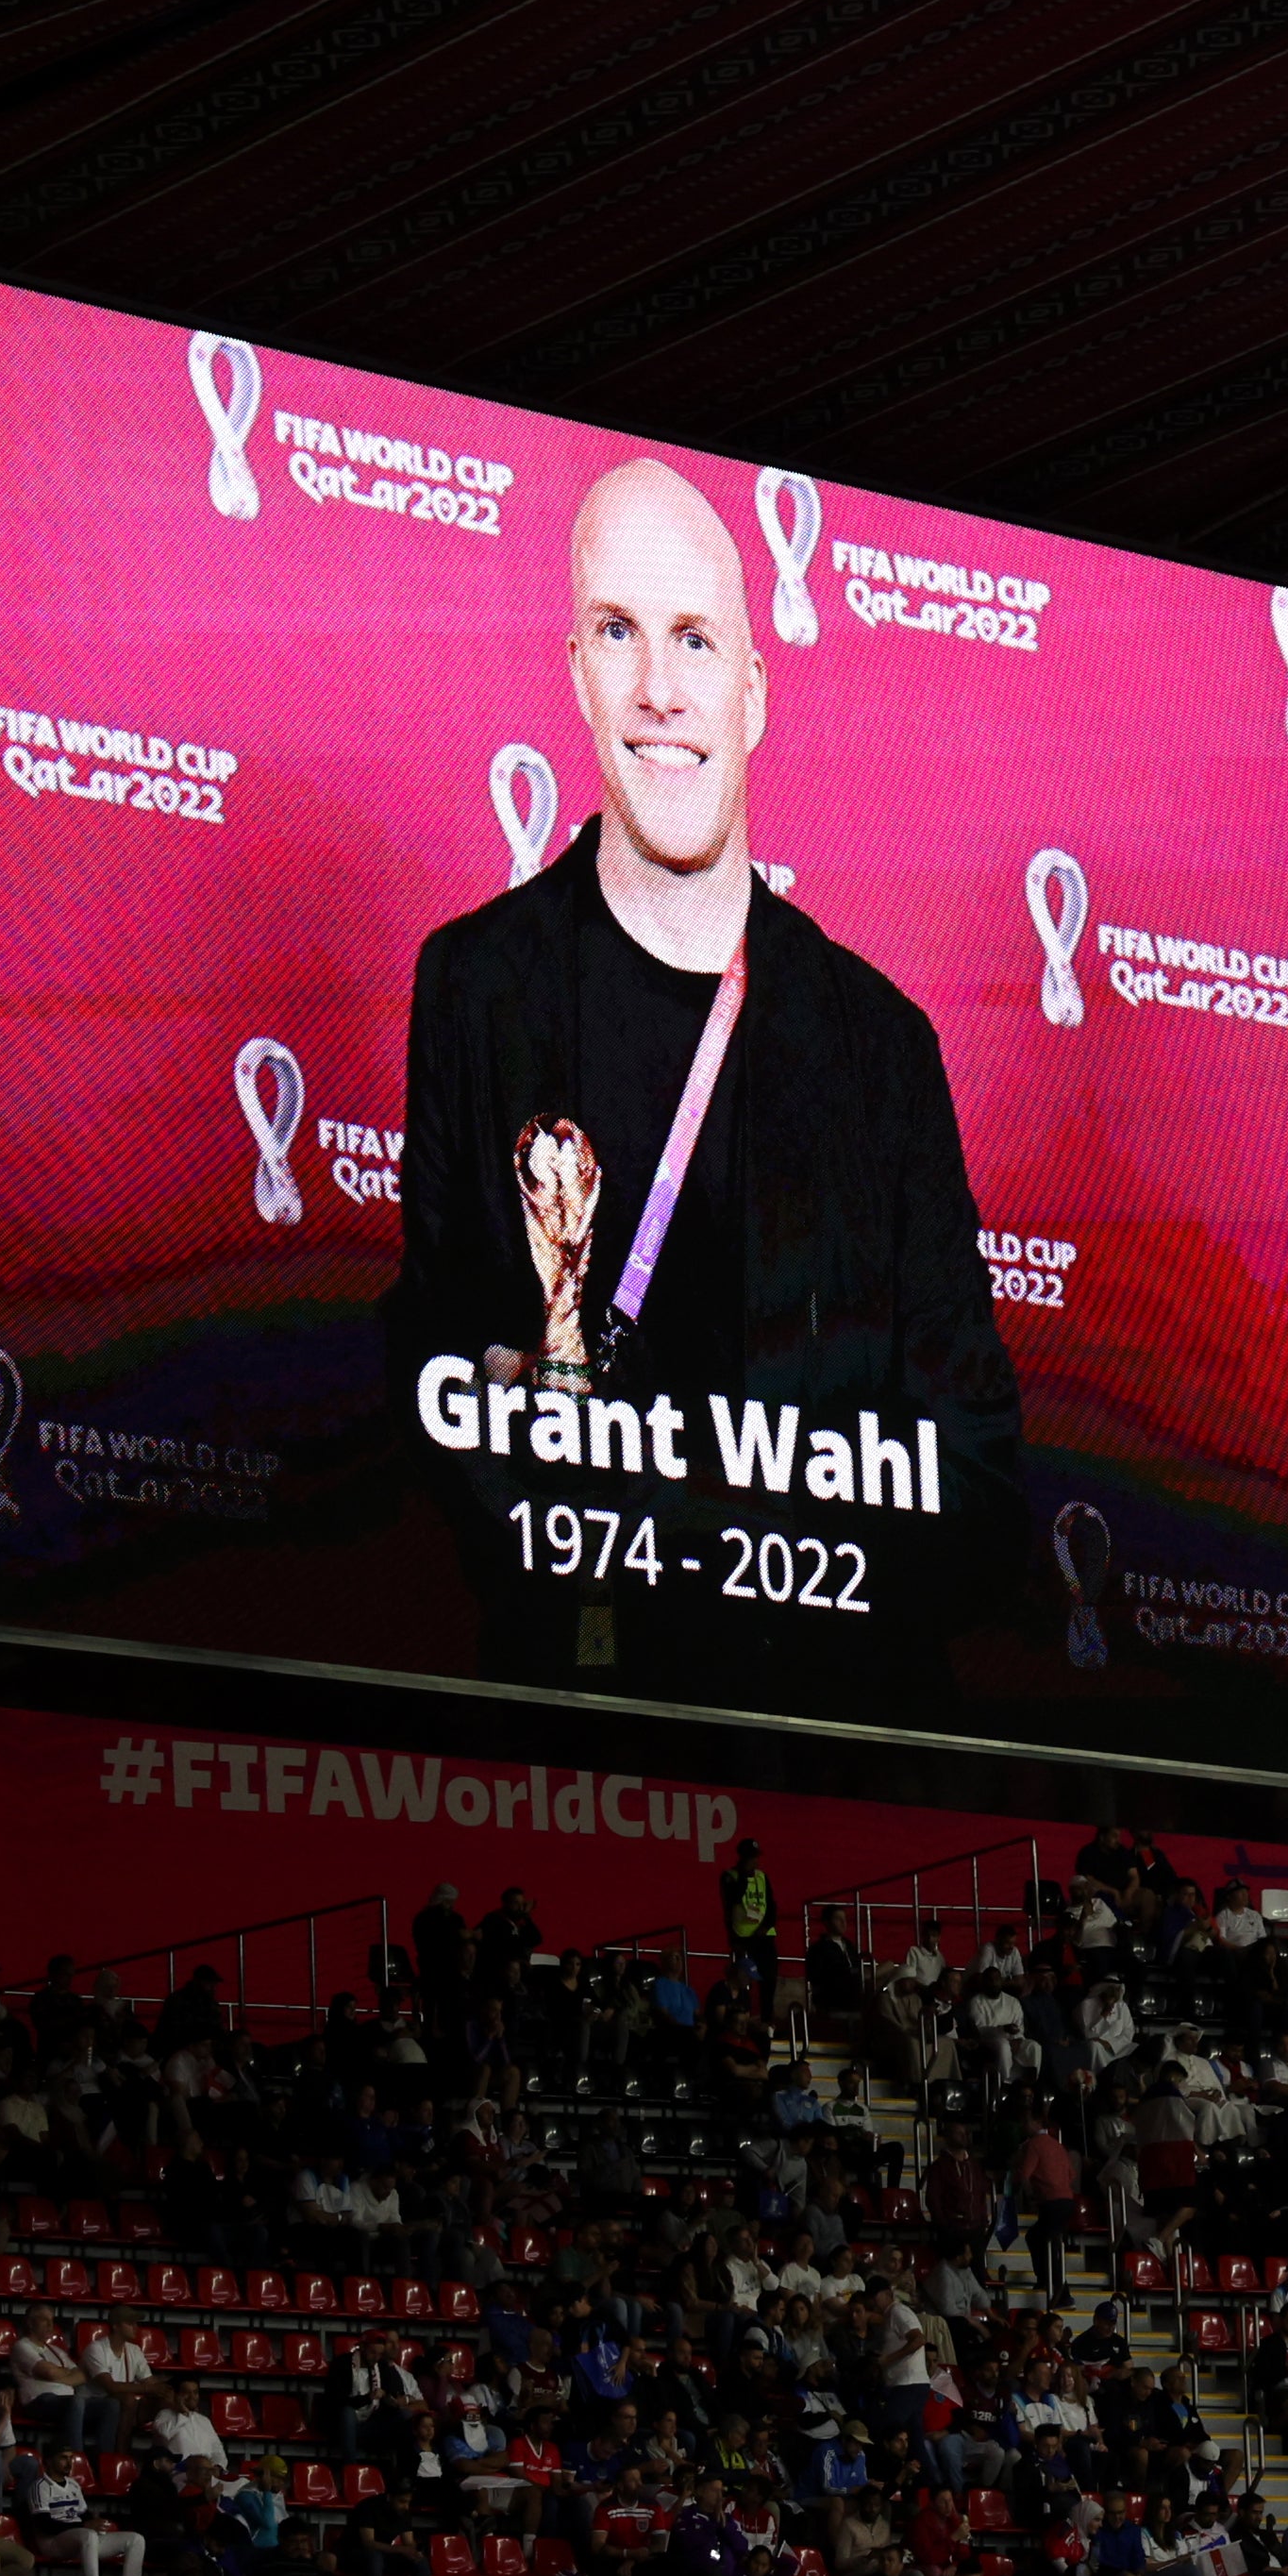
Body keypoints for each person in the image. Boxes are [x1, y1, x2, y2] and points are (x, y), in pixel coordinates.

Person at [379, 456, 1024, 1711]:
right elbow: (428, 1354)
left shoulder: (880, 1045)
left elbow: (977, 1458)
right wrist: (508, 1439)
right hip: (568, 1707)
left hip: (839, 1718)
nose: (660, 691)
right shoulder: (475, 986)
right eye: (619, 633)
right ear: (573, 670)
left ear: (754, 691)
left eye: (694, 640)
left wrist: (778, 1547)